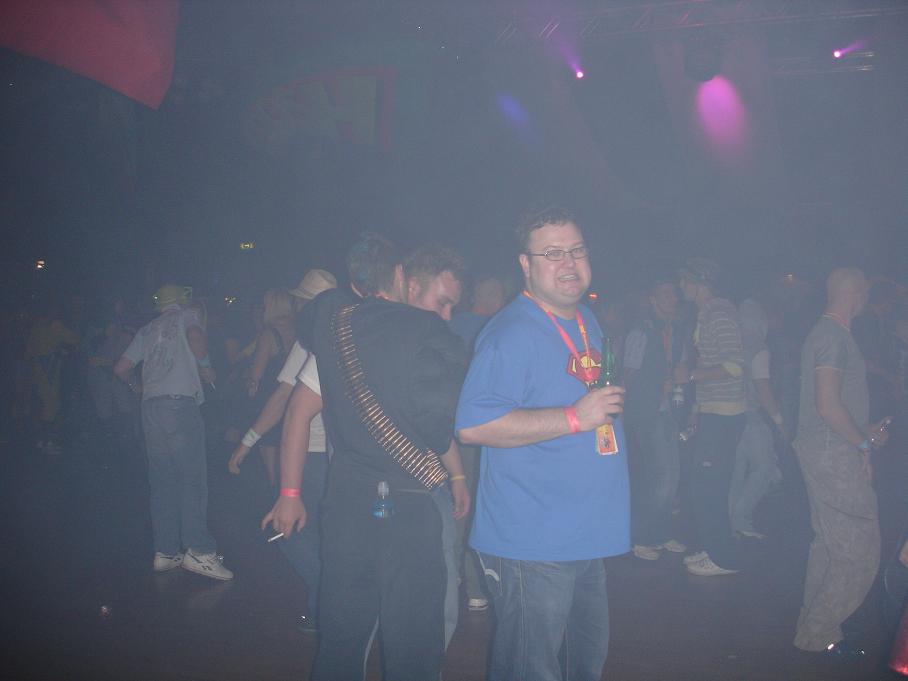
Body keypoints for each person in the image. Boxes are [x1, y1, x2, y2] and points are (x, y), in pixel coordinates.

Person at [264, 234, 469, 680]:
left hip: (348, 501)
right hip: (409, 500)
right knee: (414, 639)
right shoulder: (430, 337)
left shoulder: (337, 326)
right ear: (405, 280)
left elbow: (302, 402)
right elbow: (437, 428)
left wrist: (290, 492)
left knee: (343, 632)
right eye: (442, 302)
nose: (446, 315)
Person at [456, 205, 628, 681]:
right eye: (552, 253)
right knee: (530, 669)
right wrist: (575, 417)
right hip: (533, 540)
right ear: (526, 265)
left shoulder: (585, 319)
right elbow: (473, 425)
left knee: (582, 664)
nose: (568, 262)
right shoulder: (511, 332)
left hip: (585, 533)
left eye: (577, 250)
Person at [226, 269, 337, 629]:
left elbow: (282, 399)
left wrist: (248, 440)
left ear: (305, 303)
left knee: (286, 530)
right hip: (344, 457)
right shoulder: (349, 334)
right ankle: (326, 609)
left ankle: (329, 604)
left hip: (311, 454)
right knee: (321, 535)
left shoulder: (312, 340)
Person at [793, 267, 889, 656]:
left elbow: (831, 407)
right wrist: (863, 444)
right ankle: (819, 631)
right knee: (859, 549)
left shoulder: (829, 335)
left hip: (828, 447)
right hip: (833, 452)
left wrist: (863, 431)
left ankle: (814, 631)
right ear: (856, 293)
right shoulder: (832, 336)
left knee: (830, 545)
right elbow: (828, 405)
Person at [114, 284, 233, 581]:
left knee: (163, 482)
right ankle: (199, 552)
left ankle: (166, 552)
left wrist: (138, 388)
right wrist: (206, 367)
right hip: (179, 405)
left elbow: (121, 368)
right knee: (192, 480)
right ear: (182, 300)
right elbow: (196, 338)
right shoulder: (187, 315)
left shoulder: (147, 329)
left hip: (150, 407)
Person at [676, 257, 746, 577]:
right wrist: (696, 411)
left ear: (699, 282)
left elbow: (734, 365)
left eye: (684, 280)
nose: (680, 286)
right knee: (704, 484)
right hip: (712, 411)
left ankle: (723, 558)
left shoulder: (719, 315)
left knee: (709, 487)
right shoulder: (707, 314)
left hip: (725, 414)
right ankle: (714, 547)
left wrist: (691, 375)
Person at [623, 277, 688, 560]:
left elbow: (680, 366)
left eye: (673, 293)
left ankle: (660, 533)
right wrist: (623, 413)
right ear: (653, 300)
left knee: (672, 475)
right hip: (646, 411)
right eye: (665, 294)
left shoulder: (677, 330)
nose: (672, 298)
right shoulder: (641, 332)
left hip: (669, 409)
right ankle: (641, 537)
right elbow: (627, 376)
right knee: (659, 476)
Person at [728, 297, 784, 539]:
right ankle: (740, 516)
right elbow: (763, 387)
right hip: (751, 416)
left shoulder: (732, 345)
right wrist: (779, 420)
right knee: (765, 467)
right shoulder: (759, 348)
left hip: (730, 415)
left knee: (737, 470)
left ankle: (732, 523)